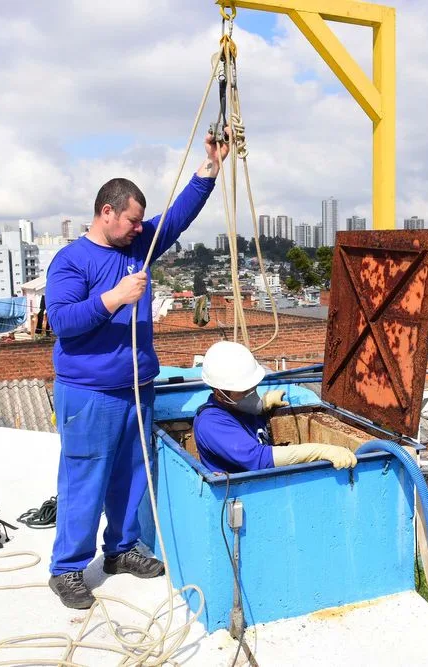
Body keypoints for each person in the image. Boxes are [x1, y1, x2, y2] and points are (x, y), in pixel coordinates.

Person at [45, 132, 230, 609]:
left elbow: (179, 216)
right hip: (89, 394)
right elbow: (62, 322)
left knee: (131, 474)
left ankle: (121, 550)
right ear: (106, 212)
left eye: (139, 222)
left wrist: (209, 167)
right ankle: (67, 569)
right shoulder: (71, 260)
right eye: (130, 220)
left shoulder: (139, 242)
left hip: (137, 389)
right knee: (85, 477)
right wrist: (113, 299)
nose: (137, 228)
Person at [193, 341, 358, 474]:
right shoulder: (211, 423)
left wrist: (262, 405)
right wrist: (320, 451)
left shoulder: (239, 406)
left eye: (253, 387)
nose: (251, 394)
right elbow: (259, 459)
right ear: (220, 393)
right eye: (244, 391)